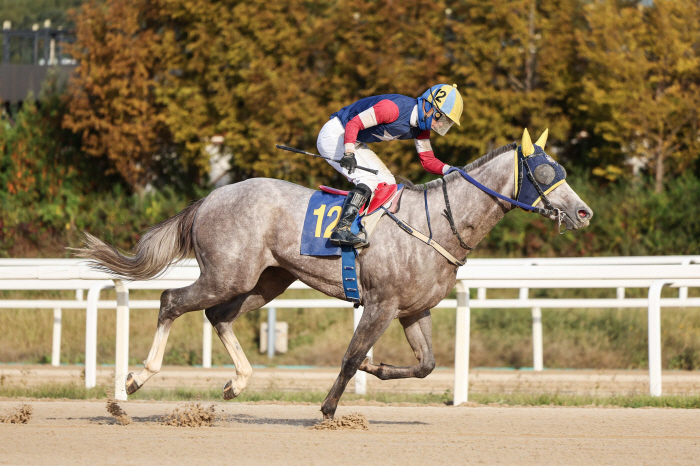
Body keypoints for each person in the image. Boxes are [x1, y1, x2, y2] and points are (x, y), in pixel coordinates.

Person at [317, 84, 463, 246]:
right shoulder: (392, 109)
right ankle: (341, 229)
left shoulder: (421, 128)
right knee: (368, 179)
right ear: (430, 108)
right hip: (336, 135)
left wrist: (449, 170)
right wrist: (349, 153)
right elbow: (353, 124)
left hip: (354, 140)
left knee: (388, 181)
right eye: (441, 118)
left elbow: (427, 160)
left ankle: (365, 227)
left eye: (446, 122)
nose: (441, 125)